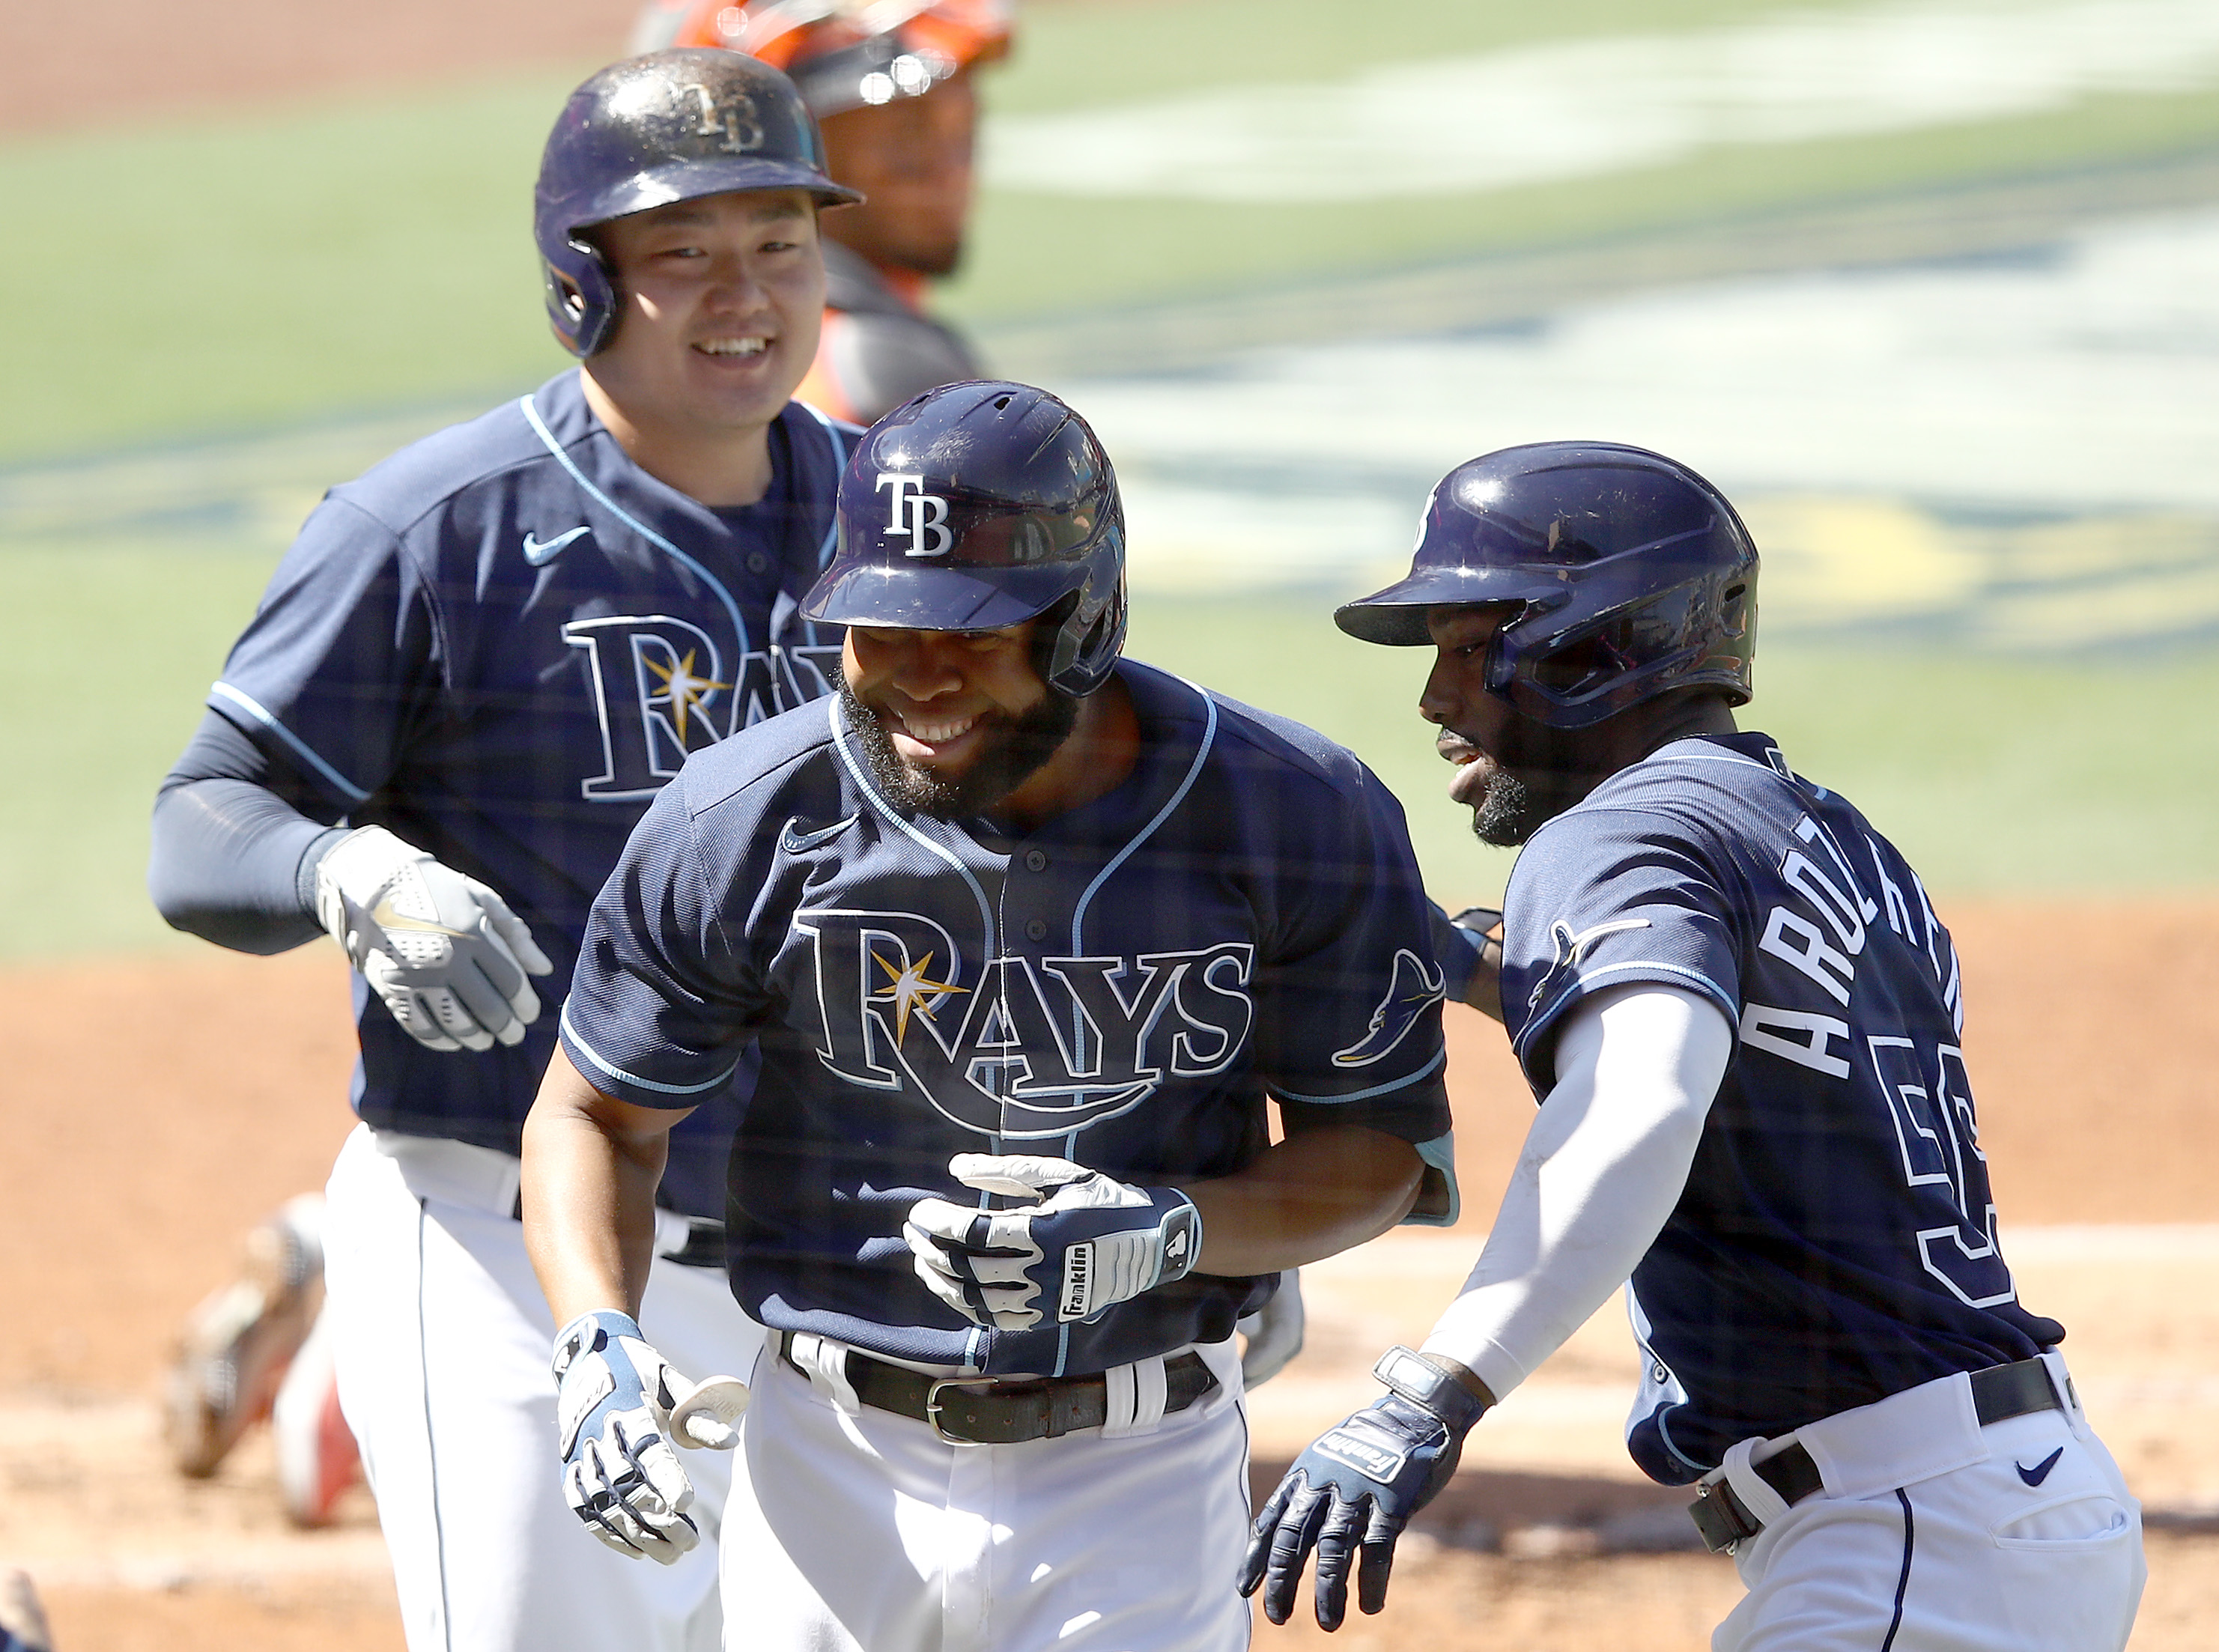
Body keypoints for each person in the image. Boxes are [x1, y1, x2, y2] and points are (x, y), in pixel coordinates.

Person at [520, 380, 1460, 1650]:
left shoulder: (1292, 811)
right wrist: (595, 1343)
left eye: (967, 632)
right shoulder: (742, 817)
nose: (915, 676)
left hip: (1136, 1471)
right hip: (826, 1463)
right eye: (875, 626)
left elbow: (1377, 1156)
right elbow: (593, 1115)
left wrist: (1169, 1234)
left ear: (1083, 618)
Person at [147, 48, 864, 1651]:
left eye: (778, 244)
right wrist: (355, 873)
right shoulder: (436, 528)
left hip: (827, 1245)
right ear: (579, 284)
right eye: (683, 254)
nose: (742, 295)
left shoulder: (894, 527)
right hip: (499, 1242)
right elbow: (206, 814)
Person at [1243, 443, 2146, 1649]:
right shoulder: (1824, 838)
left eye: (1469, 649)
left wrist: (1425, 1399)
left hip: (1909, 1537)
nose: (1435, 699)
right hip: (1999, 1503)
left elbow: (1641, 1104)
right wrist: (1468, 965)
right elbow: (1747, 1048)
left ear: (1590, 648)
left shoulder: (1612, 832)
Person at [634, 0, 1008, 425]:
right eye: (905, 142)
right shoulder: (881, 379)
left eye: (964, 132)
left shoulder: (677, 377)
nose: (950, 175)